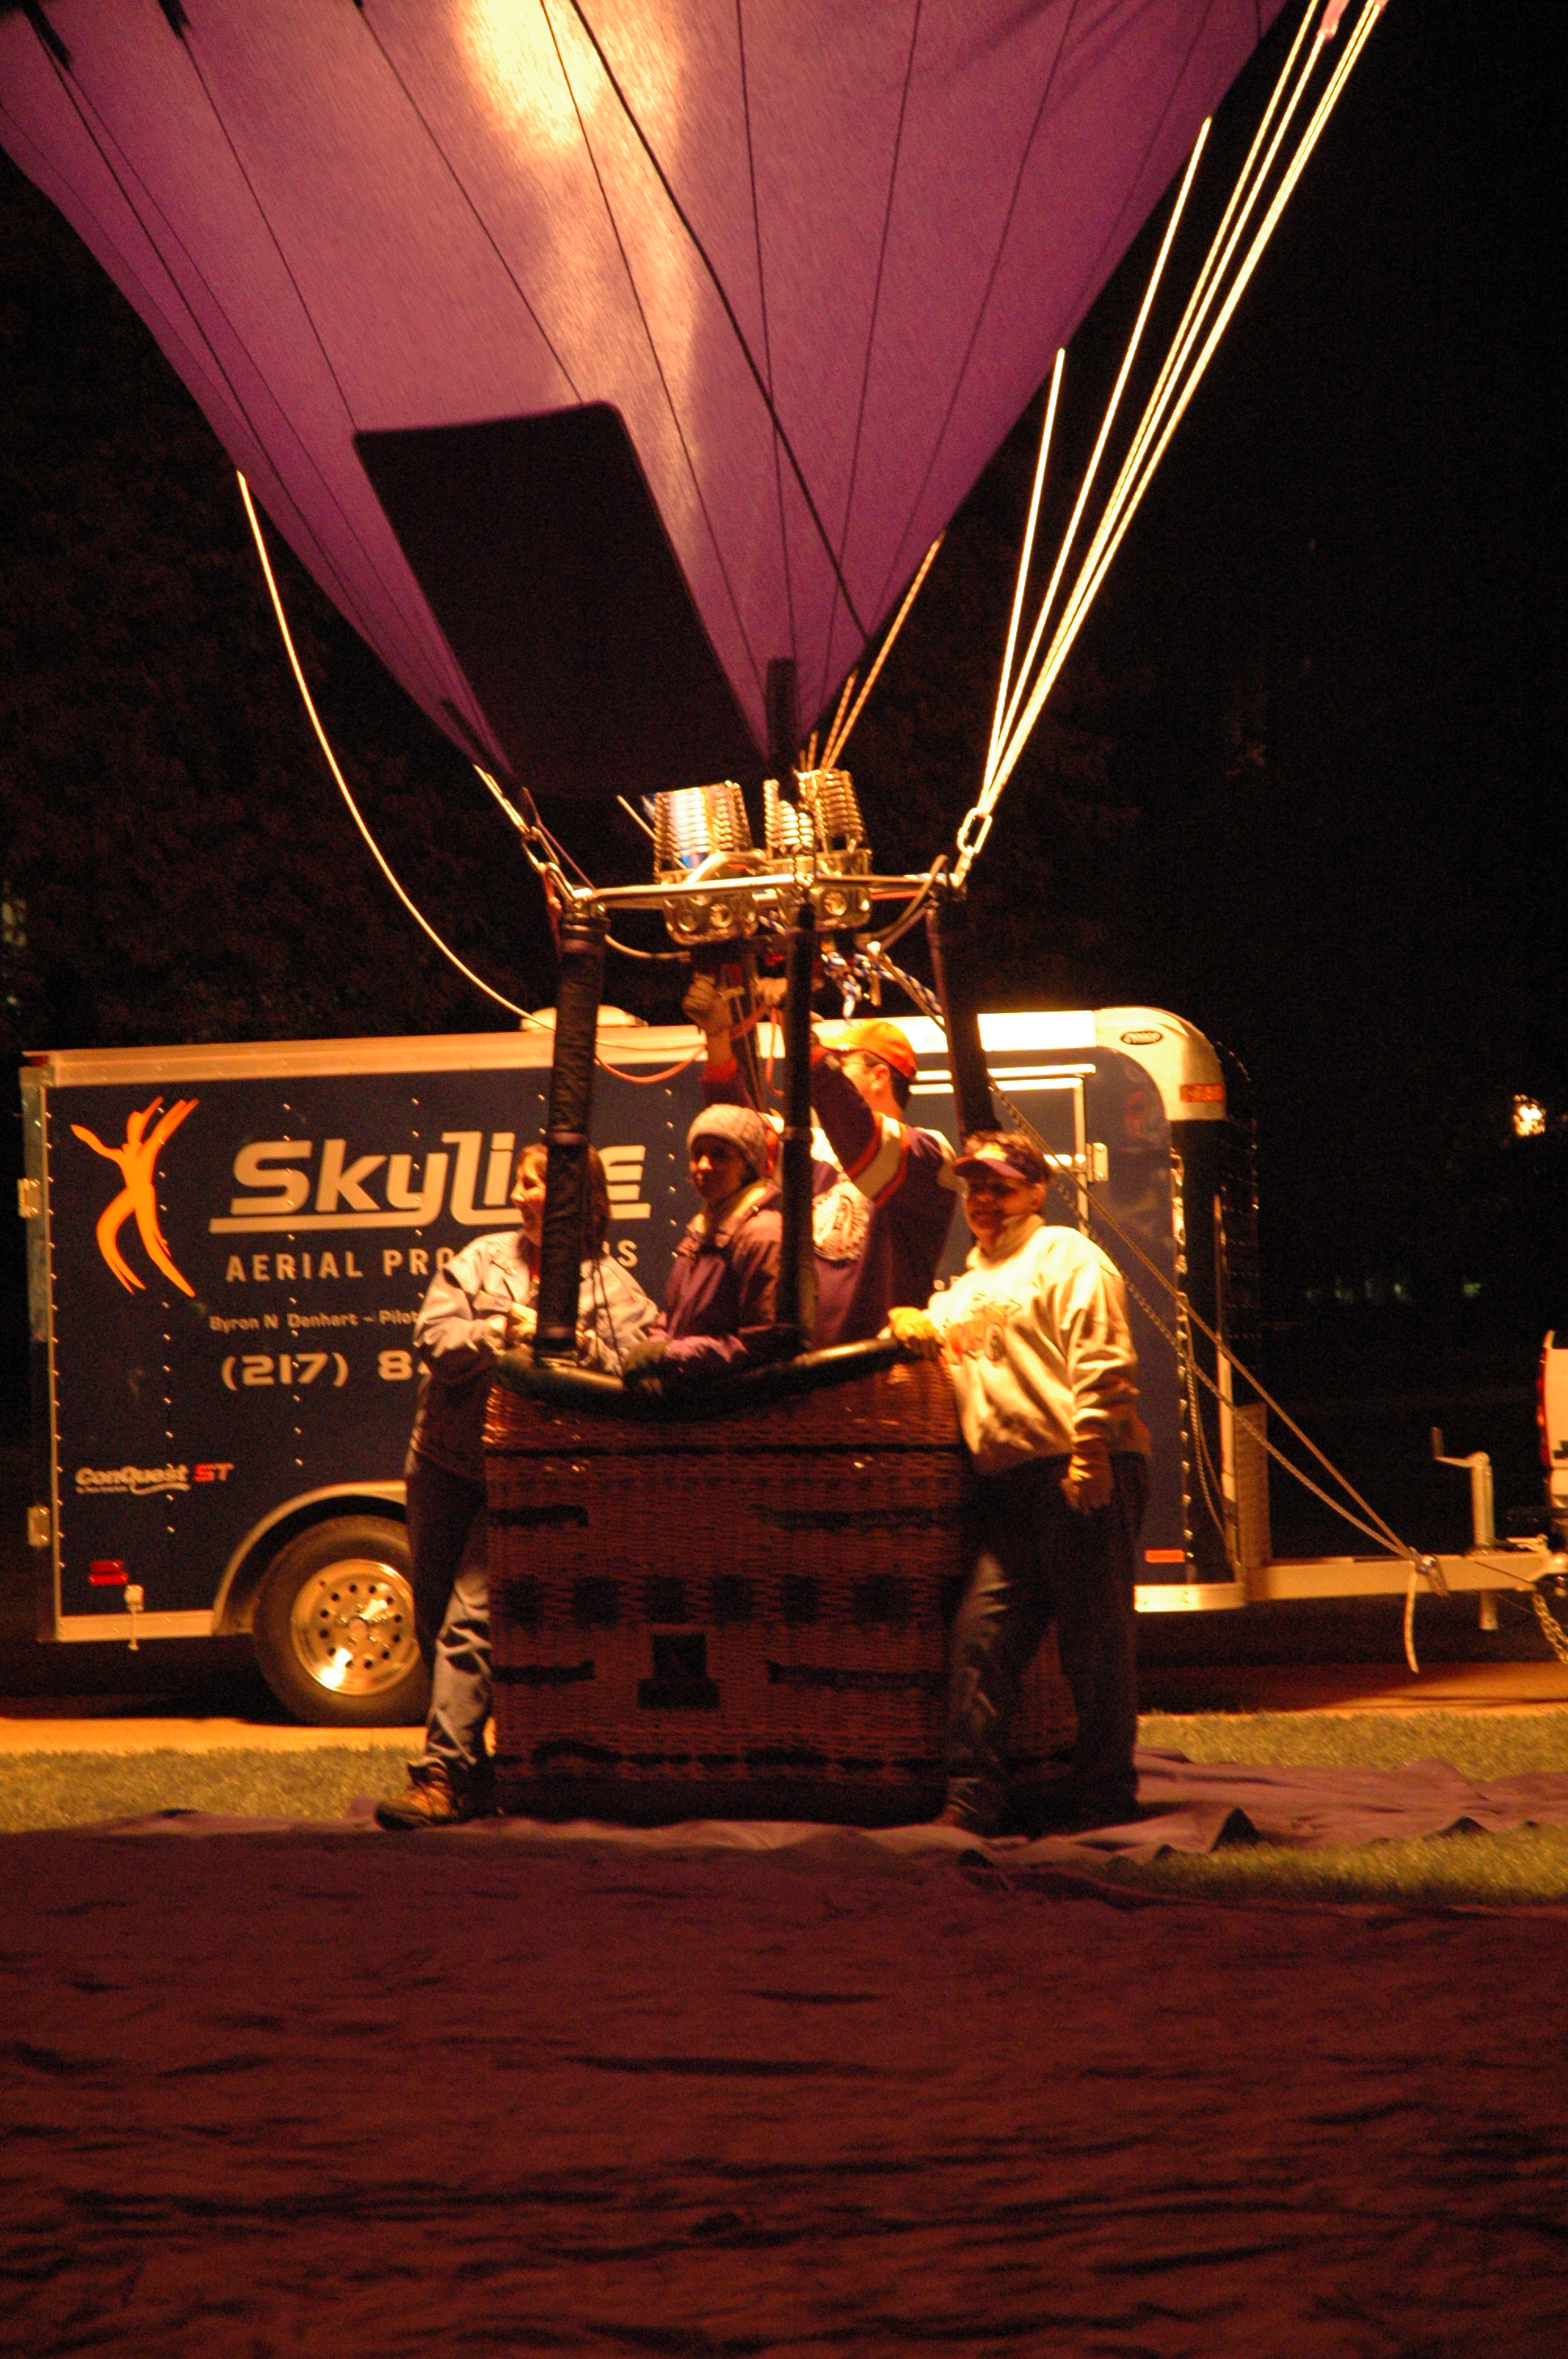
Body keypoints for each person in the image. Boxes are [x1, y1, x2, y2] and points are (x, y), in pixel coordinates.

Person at [377, 1142, 655, 1830]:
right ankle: (476, 1771)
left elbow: (636, 1368)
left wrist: (573, 1343)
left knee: (471, 1619)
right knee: (434, 1617)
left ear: (580, 1200)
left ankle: (441, 1775)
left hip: (526, 1477)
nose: (520, 1194)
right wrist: (501, 1329)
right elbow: (433, 1339)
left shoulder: (613, 1289)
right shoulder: (481, 1260)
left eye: (535, 1183)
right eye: (521, 1182)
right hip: (444, 1462)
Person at [889, 1130, 1150, 1836]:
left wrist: (1091, 1449)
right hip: (1008, 1489)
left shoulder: (1064, 1254)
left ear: (1036, 1191)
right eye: (974, 1186)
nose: (983, 1199)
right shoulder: (964, 1289)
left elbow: (1103, 1353)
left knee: (1094, 1644)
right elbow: (937, 1339)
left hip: (1081, 1469)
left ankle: (1106, 1799)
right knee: (980, 1641)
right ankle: (972, 1801)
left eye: (999, 1186)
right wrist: (915, 1323)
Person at [684, 978, 958, 1346]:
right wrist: (718, 1040)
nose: (829, 1069)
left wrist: (803, 1040)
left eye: (841, 1063)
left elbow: (856, 1130)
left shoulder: (930, 1153)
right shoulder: (815, 1146)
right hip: (804, 1364)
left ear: (880, 1076)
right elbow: (735, 1134)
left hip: (876, 1367)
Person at [623, 1103, 785, 1383]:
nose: (703, 1166)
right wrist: (656, 1355)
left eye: (719, 1155)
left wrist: (669, 1355)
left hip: (733, 1406)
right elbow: (670, 1320)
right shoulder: (699, 1231)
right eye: (697, 1154)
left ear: (748, 1166)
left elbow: (761, 1346)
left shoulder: (763, 1235)